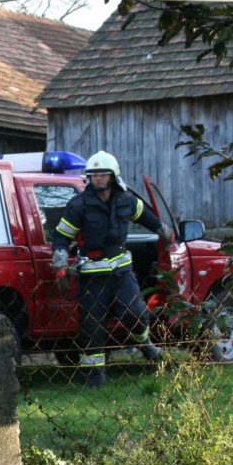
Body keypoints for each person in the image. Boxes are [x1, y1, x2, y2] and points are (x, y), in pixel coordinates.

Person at [50, 151, 174, 388]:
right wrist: (61, 264)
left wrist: (164, 230)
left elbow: (146, 216)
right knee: (92, 328)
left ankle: (146, 345)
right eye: (93, 175)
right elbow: (61, 237)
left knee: (135, 314)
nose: (97, 179)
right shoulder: (79, 206)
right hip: (92, 278)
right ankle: (93, 378)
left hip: (122, 274)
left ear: (112, 176)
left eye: (102, 174)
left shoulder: (126, 200)